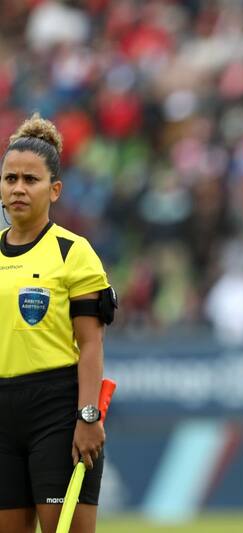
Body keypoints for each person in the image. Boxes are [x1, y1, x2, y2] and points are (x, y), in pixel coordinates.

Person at [0, 114, 116, 533]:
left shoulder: (74, 252)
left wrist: (88, 417)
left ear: (54, 190)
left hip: (57, 409)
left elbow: (91, 344)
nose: (17, 188)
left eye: (30, 180)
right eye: (9, 178)